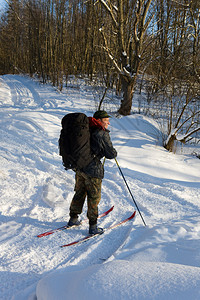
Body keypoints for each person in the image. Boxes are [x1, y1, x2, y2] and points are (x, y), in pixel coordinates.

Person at [67, 110, 117, 235]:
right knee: (93, 197)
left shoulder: (84, 129)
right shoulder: (101, 133)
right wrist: (113, 152)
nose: (108, 123)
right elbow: (111, 154)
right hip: (93, 170)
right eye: (106, 121)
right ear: (99, 121)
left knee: (79, 192)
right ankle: (93, 227)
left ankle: (73, 218)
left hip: (79, 167)